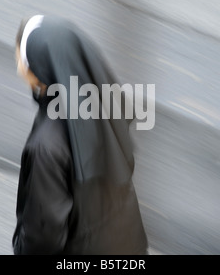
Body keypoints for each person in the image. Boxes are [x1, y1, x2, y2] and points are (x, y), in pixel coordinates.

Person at [12, 15, 148, 255]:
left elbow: (42, 239)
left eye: (22, 60)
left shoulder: (46, 146)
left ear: (40, 68)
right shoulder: (102, 106)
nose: (19, 66)